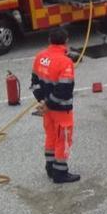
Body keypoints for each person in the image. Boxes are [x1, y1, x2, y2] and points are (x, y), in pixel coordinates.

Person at [30, 27, 80, 183]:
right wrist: (50, 104)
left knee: (51, 136)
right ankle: (60, 172)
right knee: (63, 139)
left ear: (49, 40)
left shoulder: (40, 57)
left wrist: (43, 102)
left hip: (47, 108)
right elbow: (64, 90)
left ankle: (50, 167)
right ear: (66, 41)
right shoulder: (65, 62)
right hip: (60, 109)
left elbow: (34, 82)